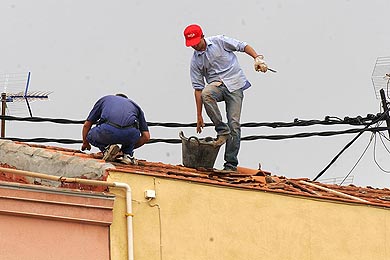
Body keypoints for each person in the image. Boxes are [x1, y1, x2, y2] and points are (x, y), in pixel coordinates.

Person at [183, 24, 269, 172]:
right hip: (217, 86)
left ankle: (230, 164)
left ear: (202, 36)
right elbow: (198, 89)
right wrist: (199, 115)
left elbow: (242, 46)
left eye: (196, 42)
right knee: (206, 94)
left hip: (235, 84)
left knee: (234, 124)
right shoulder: (195, 61)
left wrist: (257, 58)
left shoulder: (219, 41)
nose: (195, 46)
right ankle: (222, 131)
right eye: (192, 45)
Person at [81, 93, 150, 164]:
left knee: (90, 135)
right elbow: (146, 137)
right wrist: (124, 150)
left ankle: (106, 149)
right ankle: (127, 155)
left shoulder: (105, 99)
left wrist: (85, 143)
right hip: (130, 134)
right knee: (131, 134)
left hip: (108, 131)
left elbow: (87, 125)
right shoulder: (135, 106)